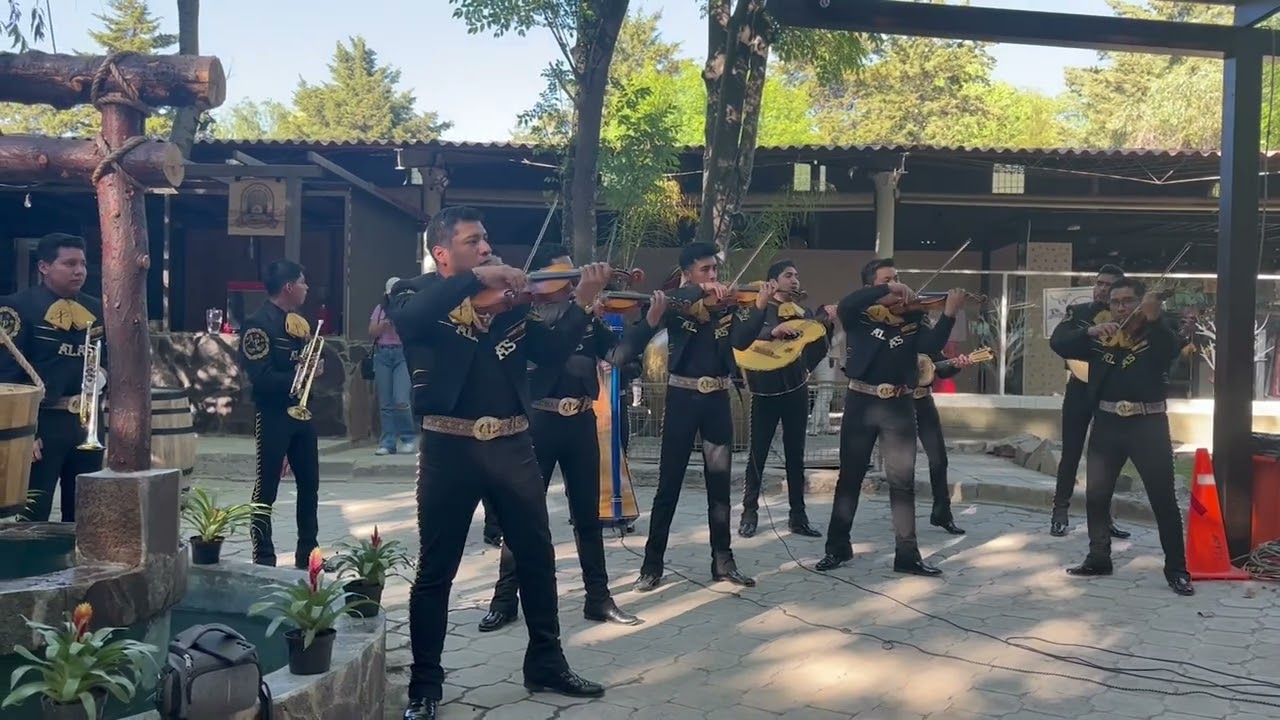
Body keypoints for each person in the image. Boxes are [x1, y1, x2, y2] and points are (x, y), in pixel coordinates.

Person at [388, 206, 610, 720]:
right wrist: (475, 280)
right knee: (436, 570)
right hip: (448, 447)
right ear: (443, 253)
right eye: (473, 241)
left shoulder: (512, 304)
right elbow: (410, 320)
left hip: (512, 444)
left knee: (537, 557)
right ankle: (425, 686)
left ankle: (547, 663)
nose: (486, 247)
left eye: (486, 240)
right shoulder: (414, 293)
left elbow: (552, 352)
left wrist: (581, 300)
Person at [478, 245, 640, 633]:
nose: (570, 287)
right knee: (523, 516)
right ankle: (504, 600)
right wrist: (581, 306)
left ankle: (598, 598)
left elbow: (619, 355)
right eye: (563, 279)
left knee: (588, 516)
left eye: (573, 281)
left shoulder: (583, 314)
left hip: (581, 420)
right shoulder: (525, 314)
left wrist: (645, 323)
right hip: (538, 421)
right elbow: (550, 355)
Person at [611, 241, 755, 592]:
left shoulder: (726, 306)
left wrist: (758, 307)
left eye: (715, 270)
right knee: (669, 485)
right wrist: (699, 290)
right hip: (682, 397)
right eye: (705, 270)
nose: (713, 276)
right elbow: (649, 322)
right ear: (688, 272)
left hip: (717, 397)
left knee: (720, 485)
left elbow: (743, 341)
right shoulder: (676, 304)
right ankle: (652, 563)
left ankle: (723, 560)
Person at [814, 258, 965, 577]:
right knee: (849, 479)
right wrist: (889, 288)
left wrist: (949, 314)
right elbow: (850, 301)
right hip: (861, 401)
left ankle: (907, 554)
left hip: (899, 404)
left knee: (902, 483)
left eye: (898, 278)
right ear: (871, 286)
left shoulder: (911, 315)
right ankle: (837, 547)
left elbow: (930, 346)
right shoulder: (856, 314)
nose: (898, 286)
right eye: (886, 280)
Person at [1048, 278, 1193, 596]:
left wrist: (1154, 319)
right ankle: (1099, 557)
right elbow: (1059, 343)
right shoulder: (1101, 334)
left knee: (1163, 499)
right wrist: (1088, 330)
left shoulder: (1157, 329)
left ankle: (1177, 568)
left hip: (1148, 424)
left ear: (1141, 303)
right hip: (1107, 422)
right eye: (1116, 302)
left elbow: (1172, 351)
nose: (1121, 307)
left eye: (1128, 301)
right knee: (1097, 496)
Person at [0, 233, 106, 522]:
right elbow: (7, 376)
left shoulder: (96, 309)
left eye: (82, 263)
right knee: (34, 513)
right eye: (69, 263)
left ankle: (79, 566)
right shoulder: (17, 307)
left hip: (85, 424)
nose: (79, 271)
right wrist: (25, 431)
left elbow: (104, 360)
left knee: (86, 513)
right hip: (42, 424)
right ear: (44, 267)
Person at [730, 259, 833, 538]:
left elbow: (814, 351)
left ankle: (798, 517)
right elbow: (742, 339)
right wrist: (771, 332)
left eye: (797, 275)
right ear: (772, 282)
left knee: (795, 456)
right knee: (757, 455)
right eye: (788, 275)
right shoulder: (757, 309)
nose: (795, 280)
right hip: (764, 390)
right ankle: (749, 513)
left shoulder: (803, 312)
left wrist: (827, 327)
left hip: (796, 390)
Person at [237, 259, 322, 569]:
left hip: (301, 414)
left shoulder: (296, 322)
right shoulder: (257, 324)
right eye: (302, 282)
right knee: (267, 487)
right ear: (288, 286)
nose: (306, 288)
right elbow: (261, 377)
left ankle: (308, 553)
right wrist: (301, 374)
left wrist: (312, 369)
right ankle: (263, 554)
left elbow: (300, 363)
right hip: (273, 414)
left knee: (310, 484)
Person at [1048, 264, 1131, 540]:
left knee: (1104, 460)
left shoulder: (1129, 318)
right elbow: (1059, 342)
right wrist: (1089, 332)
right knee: (1070, 453)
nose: (1102, 289)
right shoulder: (1080, 312)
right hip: (1079, 391)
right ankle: (1060, 511)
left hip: (1109, 392)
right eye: (1099, 283)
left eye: (1109, 285)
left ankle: (1103, 518)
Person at [369, 277, 417, 455]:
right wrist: (383, 325)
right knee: (385, 402)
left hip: (402, 354)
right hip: (382, 354)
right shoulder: (380, 310)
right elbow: (372, 332)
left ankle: (407, 437)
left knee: (401, 399)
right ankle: (387, 442)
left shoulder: (408, 309)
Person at [809, 319, 843, 435]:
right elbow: (832, 343)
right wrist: (843, 332)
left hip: (828, 361)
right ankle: (814, 425)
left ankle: (825, 425)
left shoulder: (824, 328)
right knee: (825, 394)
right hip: (826, 361)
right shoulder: (823, 331)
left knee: (827, 395)